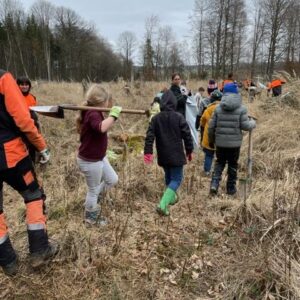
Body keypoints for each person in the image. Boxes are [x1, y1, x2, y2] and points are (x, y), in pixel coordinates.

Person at [0, 70, 56, 276]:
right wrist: (41, 146)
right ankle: (40, 250)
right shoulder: (3, 79)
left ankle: (8, 263)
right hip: (11, 153)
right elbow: (23, 119)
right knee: (33, 195)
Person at [76, 84, 121, 225]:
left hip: (99, 157)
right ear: (102, 101)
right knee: (93, 190)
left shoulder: (95, 111)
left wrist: (111, 115)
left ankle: (95, 200)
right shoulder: (93, 113)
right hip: (90, 161)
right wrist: (113, 115)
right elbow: (101, 128)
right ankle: (91, 217)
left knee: (112, 179)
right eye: (108, 100)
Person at [144, 90, 193, 216]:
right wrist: (189, 150)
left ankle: (171, 198)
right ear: (174, 103)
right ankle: (163, 204)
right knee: (177, 179)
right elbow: (187, 135)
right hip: (176, 154)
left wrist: (148, 153)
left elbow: (149, 137)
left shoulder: (155, 119)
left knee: (169, 177)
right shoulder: (179, 117)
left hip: (163, 154)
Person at [208, 83, 256, 195]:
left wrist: (211, 140)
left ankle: (214, 184)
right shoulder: (242, 109)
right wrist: (252, 122)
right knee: (233, 164)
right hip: (234, 145)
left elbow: (211, 127)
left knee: (219, 163)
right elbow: (246, 126)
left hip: (220, 143)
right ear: (236, 93)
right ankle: (230, 189)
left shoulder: (218, 108)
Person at [16, 76, 40, 164]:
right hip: (20, 126)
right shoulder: (14, 97)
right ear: (17, 85)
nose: (24, 86)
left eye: (26, 84)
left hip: (32, 125)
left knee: (32, 146)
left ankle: (33, 164)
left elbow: (34, 111)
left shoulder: (33, 97)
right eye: (22, 84)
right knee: (22, 147)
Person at [200, 90, 223, 175]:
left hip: (209, 137)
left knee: (209, 155)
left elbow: (202, 121)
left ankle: (207, 171)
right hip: (220, 136)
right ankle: (218, 172)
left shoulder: (208, 109)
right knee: (220, 156)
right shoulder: (224, 109)